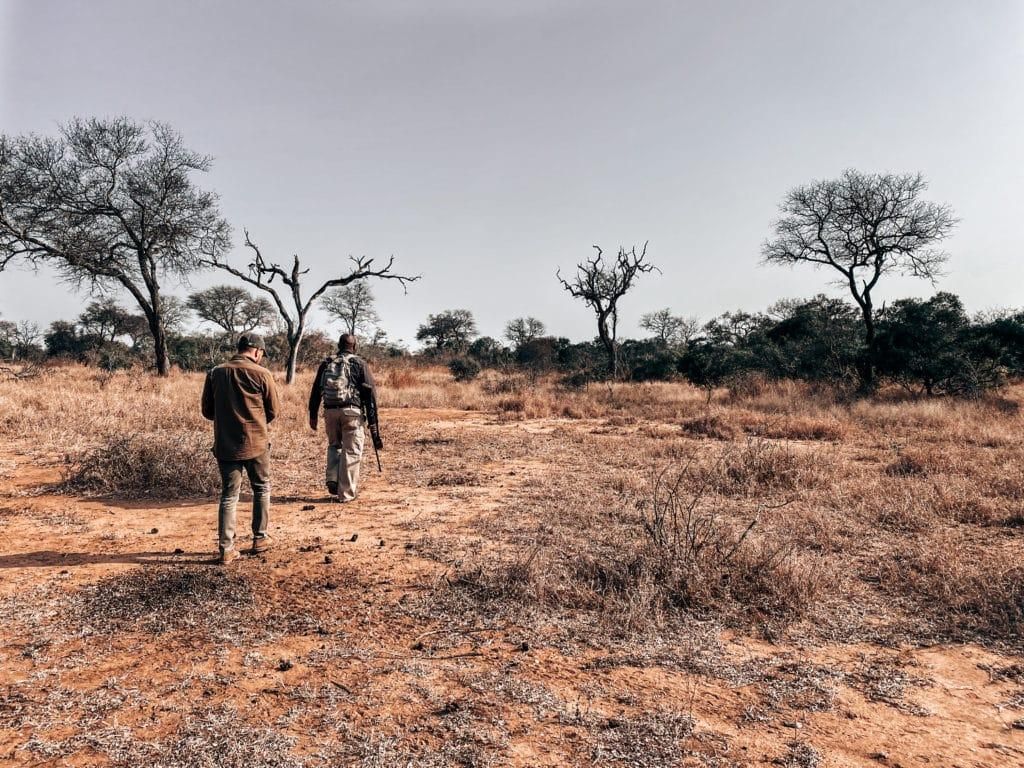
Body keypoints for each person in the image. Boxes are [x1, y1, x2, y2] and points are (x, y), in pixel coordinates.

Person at [201, 332, 281, 564]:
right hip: (256, 442)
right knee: (262, 489)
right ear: (256, 351)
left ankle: (226, 549)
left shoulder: (216, 372)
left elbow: (207, 411)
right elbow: (273, 411)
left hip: (226, 444)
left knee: (229, 496)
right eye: (262, 354)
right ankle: (260, 539)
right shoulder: (262, 374)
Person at [308, 333, 383, 502]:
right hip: (352, 413)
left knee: (334, 445)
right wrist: (373, 423)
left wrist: (312, 415)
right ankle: (346, 494)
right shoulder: (359, 363)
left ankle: (333, 479)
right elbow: (371, 396)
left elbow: (315, 391)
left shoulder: (327, 363)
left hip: (330, 412)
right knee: (351, 452)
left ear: (338, 345)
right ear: (354, 347)